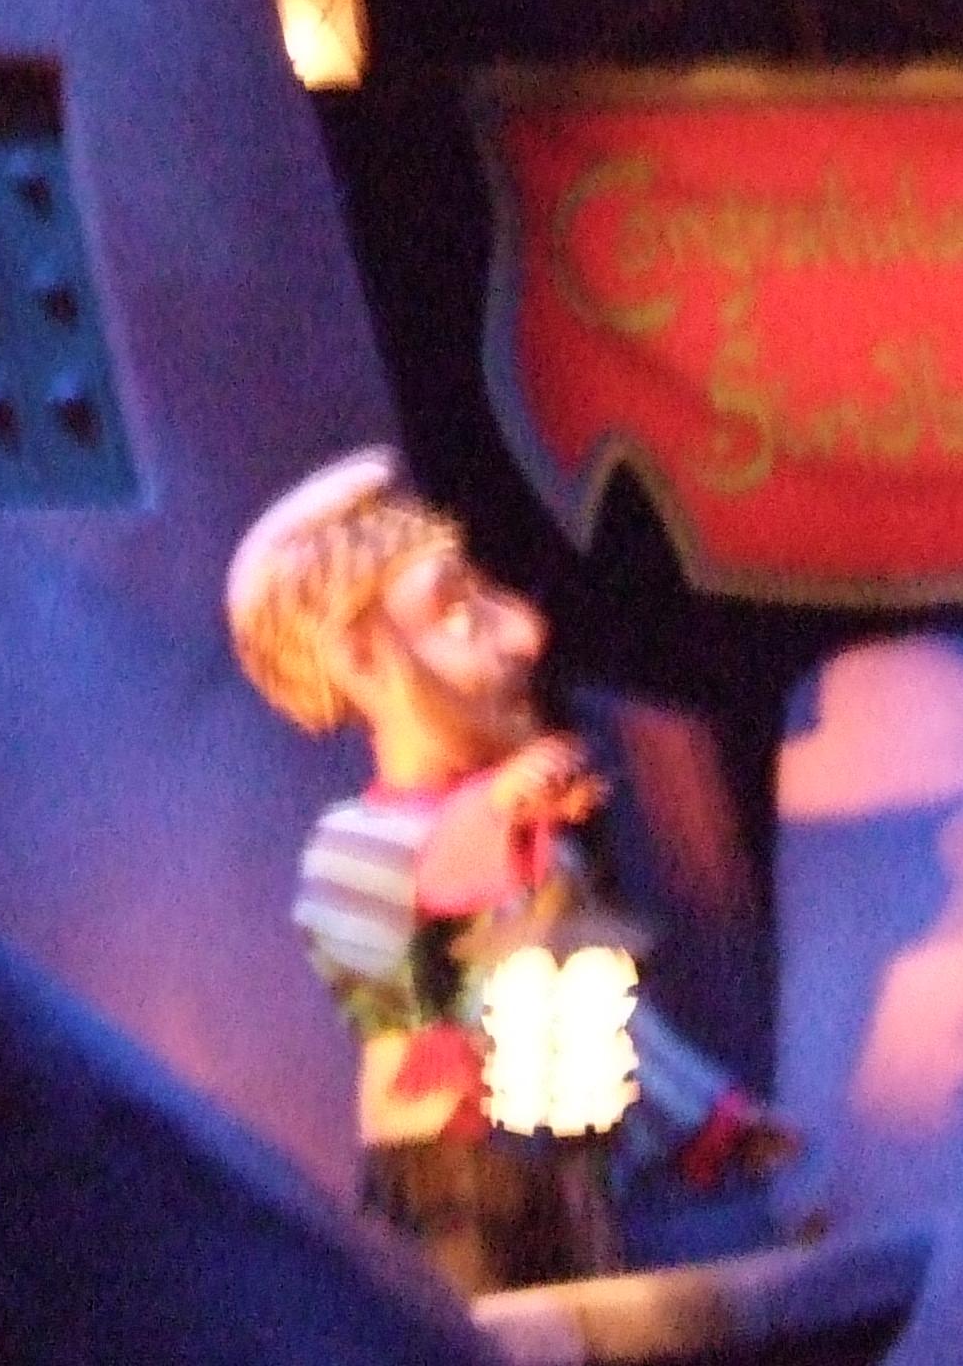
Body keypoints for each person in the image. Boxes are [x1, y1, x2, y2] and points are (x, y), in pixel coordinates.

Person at [226, 448, 797, 1296]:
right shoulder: (359, 847)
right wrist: (493, 814)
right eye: (460, 611)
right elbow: (399, 916)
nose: (526, 633)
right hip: (458, 1188)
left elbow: (603, 1021)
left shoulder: (536, 849)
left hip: (570, 1178)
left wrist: (708, 1122)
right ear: (364, 659)